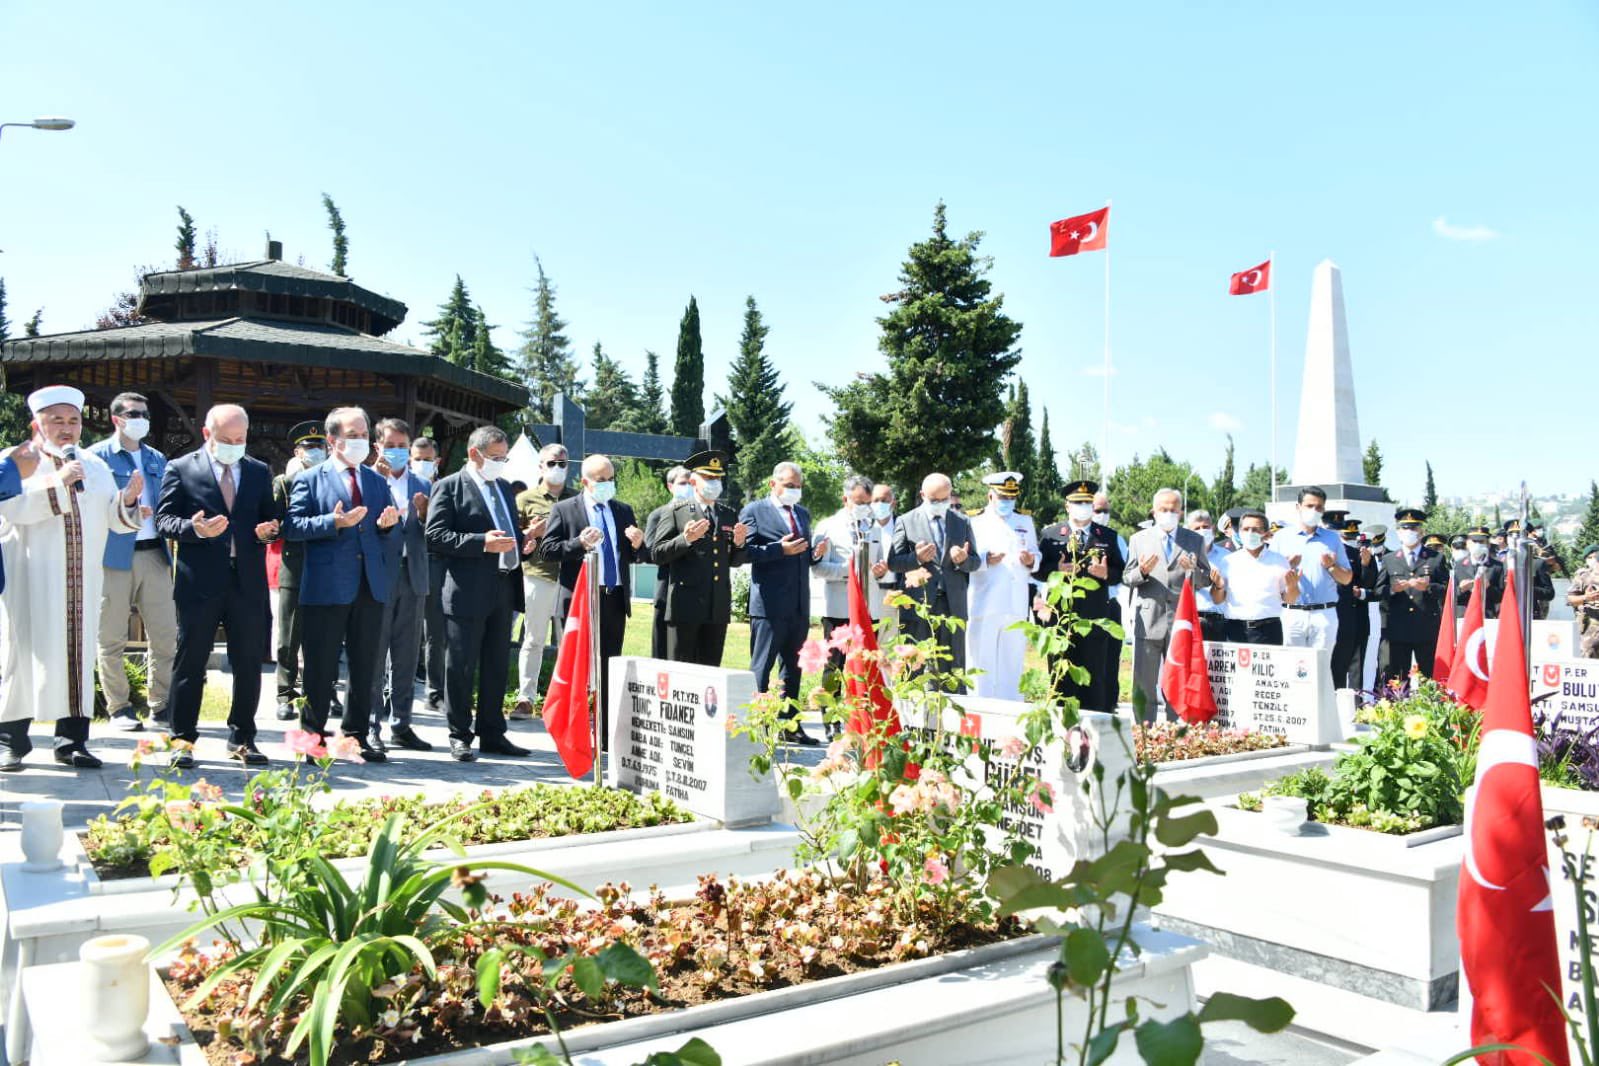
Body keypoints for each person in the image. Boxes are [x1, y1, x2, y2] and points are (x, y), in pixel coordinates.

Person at [0, 387, 143, 770]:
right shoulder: (16, 461)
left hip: (81, 582)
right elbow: (12, 509)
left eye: (73, 421)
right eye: (57, 421)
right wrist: (57, 482)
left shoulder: (93, 466)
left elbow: (114, 520)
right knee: (22, 657)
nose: (66, 429)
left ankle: (72, 742)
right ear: (37, 424)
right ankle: (10, 741)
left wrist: (127, 501)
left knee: (77, 657)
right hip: (29, 578)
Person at [154, 403, 280, 768]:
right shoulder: (181, 468)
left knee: (248, 664)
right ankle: (182, 740)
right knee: (190, 662)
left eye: (241, 438)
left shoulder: (257, 471)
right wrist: (193, 529)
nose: (235, 445)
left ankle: (243, 738)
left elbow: (271, 516)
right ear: (207, 434)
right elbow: (164, 520)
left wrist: (268, 529)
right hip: (200, 581)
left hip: (247, 582)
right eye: (227, 439)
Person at [285, 408, 398, 761]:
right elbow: (294, 527)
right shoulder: (309, 479)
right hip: (326, 585)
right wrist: (333, 522)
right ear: (333, 440)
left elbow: (382, 530)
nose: (361, 440)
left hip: (370, 585)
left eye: (365, 433)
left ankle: (355, 736)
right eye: (353, 434)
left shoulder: (377, 481)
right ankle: (312, 739)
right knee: (320, 667)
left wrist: (387, 524)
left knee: (365, 666)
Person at [425, 425, 533, 761]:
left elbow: (507, 532)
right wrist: (480, 543)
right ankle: (459, 734)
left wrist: (524, 543)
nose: (501, 463)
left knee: (497, 664)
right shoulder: (449, 487)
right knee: (460, 665)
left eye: (504, 457)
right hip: (465, 590)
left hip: (503, 586)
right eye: (496, 457)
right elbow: (435, 536)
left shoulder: (502, 486)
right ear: (475, 453)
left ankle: (492, 733)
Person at [539, 453, 644, 741]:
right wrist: (578, 543)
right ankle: (573, 730)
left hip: (612, 598)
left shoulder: (623, 510)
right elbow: (546, 550)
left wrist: (637, 544)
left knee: (609, 667)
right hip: (578, 601)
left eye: (611, 479)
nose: (607, 484)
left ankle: (606, 733)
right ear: (585, 481)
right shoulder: (565, 509)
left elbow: (634, 555)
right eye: (601, 480)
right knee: (577, 668)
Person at [89, 391, 176, 732]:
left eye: (145, 414)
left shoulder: (156, 459)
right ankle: (119, 707)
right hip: (113, 555)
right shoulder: (96, 458)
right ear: (117, 419)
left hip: (154, 553)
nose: (142, 419)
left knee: (165, 635)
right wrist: (124, 508)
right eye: (134, 413)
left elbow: (170, 502)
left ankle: (161, 705)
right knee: (110, 636)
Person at [740, 461, 828, 744]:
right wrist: (780, 550)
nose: (794, 491)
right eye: (789, 485)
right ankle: (759, 724)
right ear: (773, 484)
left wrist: (815, 553)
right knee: (762, 668)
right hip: (769, 605)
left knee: (793, 667)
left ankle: (791, 726)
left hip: (799, 605)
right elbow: (745, 552)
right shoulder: (755, 511)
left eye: (798, 486)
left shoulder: (802, 513)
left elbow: (802, 555)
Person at [813, 474, 897, 735]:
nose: (863, 506)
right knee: (835, 665)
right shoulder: (828, 526)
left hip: (868, 607)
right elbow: (816, 567)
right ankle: (831, 719)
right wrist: (846, 572)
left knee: (865, 663)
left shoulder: (873, 527)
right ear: (845, 499)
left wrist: (882, 570)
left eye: (867, 502)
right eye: (858, 501)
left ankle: (860, 715)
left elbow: (881, 564)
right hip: (838, 606)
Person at [367, 418, 432, 753]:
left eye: (402, 446)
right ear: (377, 446)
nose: (396, 452)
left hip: (413, 575)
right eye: (389, 445)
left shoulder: (423, 483)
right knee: (375, 654)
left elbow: (432, 533)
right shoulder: (368, 480)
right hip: (379, 576)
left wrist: (423, 515)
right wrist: (376, 482)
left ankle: (402, 724)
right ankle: (371, 725)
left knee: (406, 656)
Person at [649, 451, 749, 666]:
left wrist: (740, 544)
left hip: (717, 606)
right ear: (694, 481)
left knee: (711, 670)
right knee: (682, 670)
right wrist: (685, 539)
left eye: (718, 478)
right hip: (685, 606)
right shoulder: (676, 511)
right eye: (709, 478)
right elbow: (657, 553)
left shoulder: (728, 514)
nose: (714, 483)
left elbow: (734, 561)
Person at [1122, 487, 1214, 721]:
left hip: (1180, 621)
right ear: (1154, 511)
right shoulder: (1138, 539)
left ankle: (1175, 728)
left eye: (1173, 510)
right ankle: (1145, 729)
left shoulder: (1194, 540)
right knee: (1144, 680)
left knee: (1178, 678)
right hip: (1149, 618)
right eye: (1163, 509)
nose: (1168, 513)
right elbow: (1126, 577)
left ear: (1181, 513)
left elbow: (1205, 579)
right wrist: (1142, 571)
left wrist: (1193, 571)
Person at [1035, 480, 1125, 711]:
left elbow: (1120, 572)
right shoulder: (1051, 534)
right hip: (1061, 620)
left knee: (1094, 679)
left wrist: (1106, 573)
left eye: (1087, 502)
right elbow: (1039, 570)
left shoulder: (1107, 535)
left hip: (1093, 619)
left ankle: (1092, 737)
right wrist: (1057, 569)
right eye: (1078, 503)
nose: (1083, 507)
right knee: (1061, 677)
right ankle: (1063, 735)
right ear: (1067, 506)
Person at [890, 472, 980, 688]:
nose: (940, 504)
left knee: (953, 666)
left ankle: (953, 717)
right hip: (919, 605)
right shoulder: (906, 520)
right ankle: (916, 718)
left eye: (944, 499)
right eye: (934, 500)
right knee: (917, 664)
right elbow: (893, 561)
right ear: (922, 495)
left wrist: (963, 560)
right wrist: (916, 558)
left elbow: (975, 562)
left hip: (953, 606)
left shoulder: (962, 521)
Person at [965, 472, 1039, 701]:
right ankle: (979, 713)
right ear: (990, 496)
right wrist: (985, 559)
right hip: (985, 602)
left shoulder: (1024, 521)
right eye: (1002, 497)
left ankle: (1011, 716)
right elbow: (965, 560)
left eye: (1011, 498)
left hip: (1015, 604)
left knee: (1012, 663)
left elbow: (1036, 555)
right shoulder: (974, 522)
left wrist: (1031, 561)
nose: (1007, 503)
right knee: (981, 665)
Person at [511, 442, 573, 718]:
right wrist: (530, 532)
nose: (557, 468)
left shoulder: (577, 499)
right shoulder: (525, 499)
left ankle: (566, 701)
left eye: (563, 464)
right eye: (552, 463)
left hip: (571, 578)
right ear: (540, 466)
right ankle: (526, 697)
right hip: (537, 575)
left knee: (568, 643)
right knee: (533, 638)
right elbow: (511, 536)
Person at [270, 421, 326, 721]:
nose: (315, 451)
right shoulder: (284, 483)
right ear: (297, 451)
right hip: (296, 563)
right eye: (309, 447)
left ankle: (322, 691)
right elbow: (277, 524)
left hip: (328, 565)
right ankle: (285, 694)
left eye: (320, 447)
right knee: (289, 637)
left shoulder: (333, 479)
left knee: (325, 636)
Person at [1270, 488, 1354, 657]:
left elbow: (1346, 579)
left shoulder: (1332, 538)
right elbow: (1270, 578)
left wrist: (1331, 566)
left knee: (1321, 667)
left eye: (1319, 507)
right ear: (1298, 506)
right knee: (1291, 666)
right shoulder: (1281, 537)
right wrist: (1287, 566)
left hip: (1324, 614)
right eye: (1309, 506)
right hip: (1292, 613)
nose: (1314, 511)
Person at [1375, 507, 1449, 682]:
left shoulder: (1434, 558)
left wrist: (1429, 586)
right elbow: (1378, 591)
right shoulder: (1390, 559)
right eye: (1405, 528)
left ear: (1422, 531)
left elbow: (1447, 589)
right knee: (1397, 680)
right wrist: (1393, 589)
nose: (1409, 532)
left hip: (1426, 627)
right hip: (1398, 628)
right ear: (1398, 532)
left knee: (1429, 679)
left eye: (1414, 528)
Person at [1210, 511, 1299, 644]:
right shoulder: (1228, 561)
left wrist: (1292, 586)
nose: (1250, 533)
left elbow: (1290, 600)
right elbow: (1217, 600)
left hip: (1268, 630)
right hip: (1235, 630)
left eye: (1256, 529)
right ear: (1239, 532)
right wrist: (1219, 586)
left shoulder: (1279, 561)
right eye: (1246, 529)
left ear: (1266, 533)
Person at [409, 435, 448, 714]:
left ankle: (435, 691)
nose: (423, 464)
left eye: (427, 460)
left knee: (435, 632)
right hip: (403, 567)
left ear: (437, 461)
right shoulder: (397, 486)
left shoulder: (446, 488)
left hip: (436, 567)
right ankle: (392, 688)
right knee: (401, 632)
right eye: (417, 459)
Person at [643, 465, 694, 658]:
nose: (687, 487)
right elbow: (650, 553)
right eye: (683, 483)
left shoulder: (701, 513)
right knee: (663, 654)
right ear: (670, 486)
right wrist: (684, 541)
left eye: (691, 483)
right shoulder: (659, 514)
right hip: (668, 591)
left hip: (696, 594)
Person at [1093, 489, 1130, 702]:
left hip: (1110, 603)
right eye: (1099, 510)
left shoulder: (1116, 539)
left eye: (1106, 510)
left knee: (1110, 657)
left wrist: (1108, 574)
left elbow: (1124, 572)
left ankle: (1108, 704)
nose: (1103, 514)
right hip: (1084, 605)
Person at [1186, 509, 1227, 643]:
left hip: (1219, 622)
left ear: (1213, 528)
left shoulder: (1226, 556)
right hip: (1189, 620)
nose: (1202, 531)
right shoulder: (1182, 556)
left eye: (1205, 527)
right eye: (1197, 528)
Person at [1454, 526, 1505, 619]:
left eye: (1481, 542)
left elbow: (1503, 597)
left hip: (1487, 617)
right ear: (1467, 543)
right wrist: (1461, 589)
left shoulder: (1497, 566)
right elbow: (1449, 596)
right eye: (1474, 541)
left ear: (1488, 544)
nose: (1478, 545)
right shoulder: (1458, 565)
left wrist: (1489, 588)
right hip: (1465, 617)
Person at [1567, 545, 1599, 659]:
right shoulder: (1584, 576)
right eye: (1590, 557)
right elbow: (1570, 600)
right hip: (1591, 628)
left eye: (1595, 557)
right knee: (1588, 662)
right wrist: (1586, 597)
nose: (1594, 560)